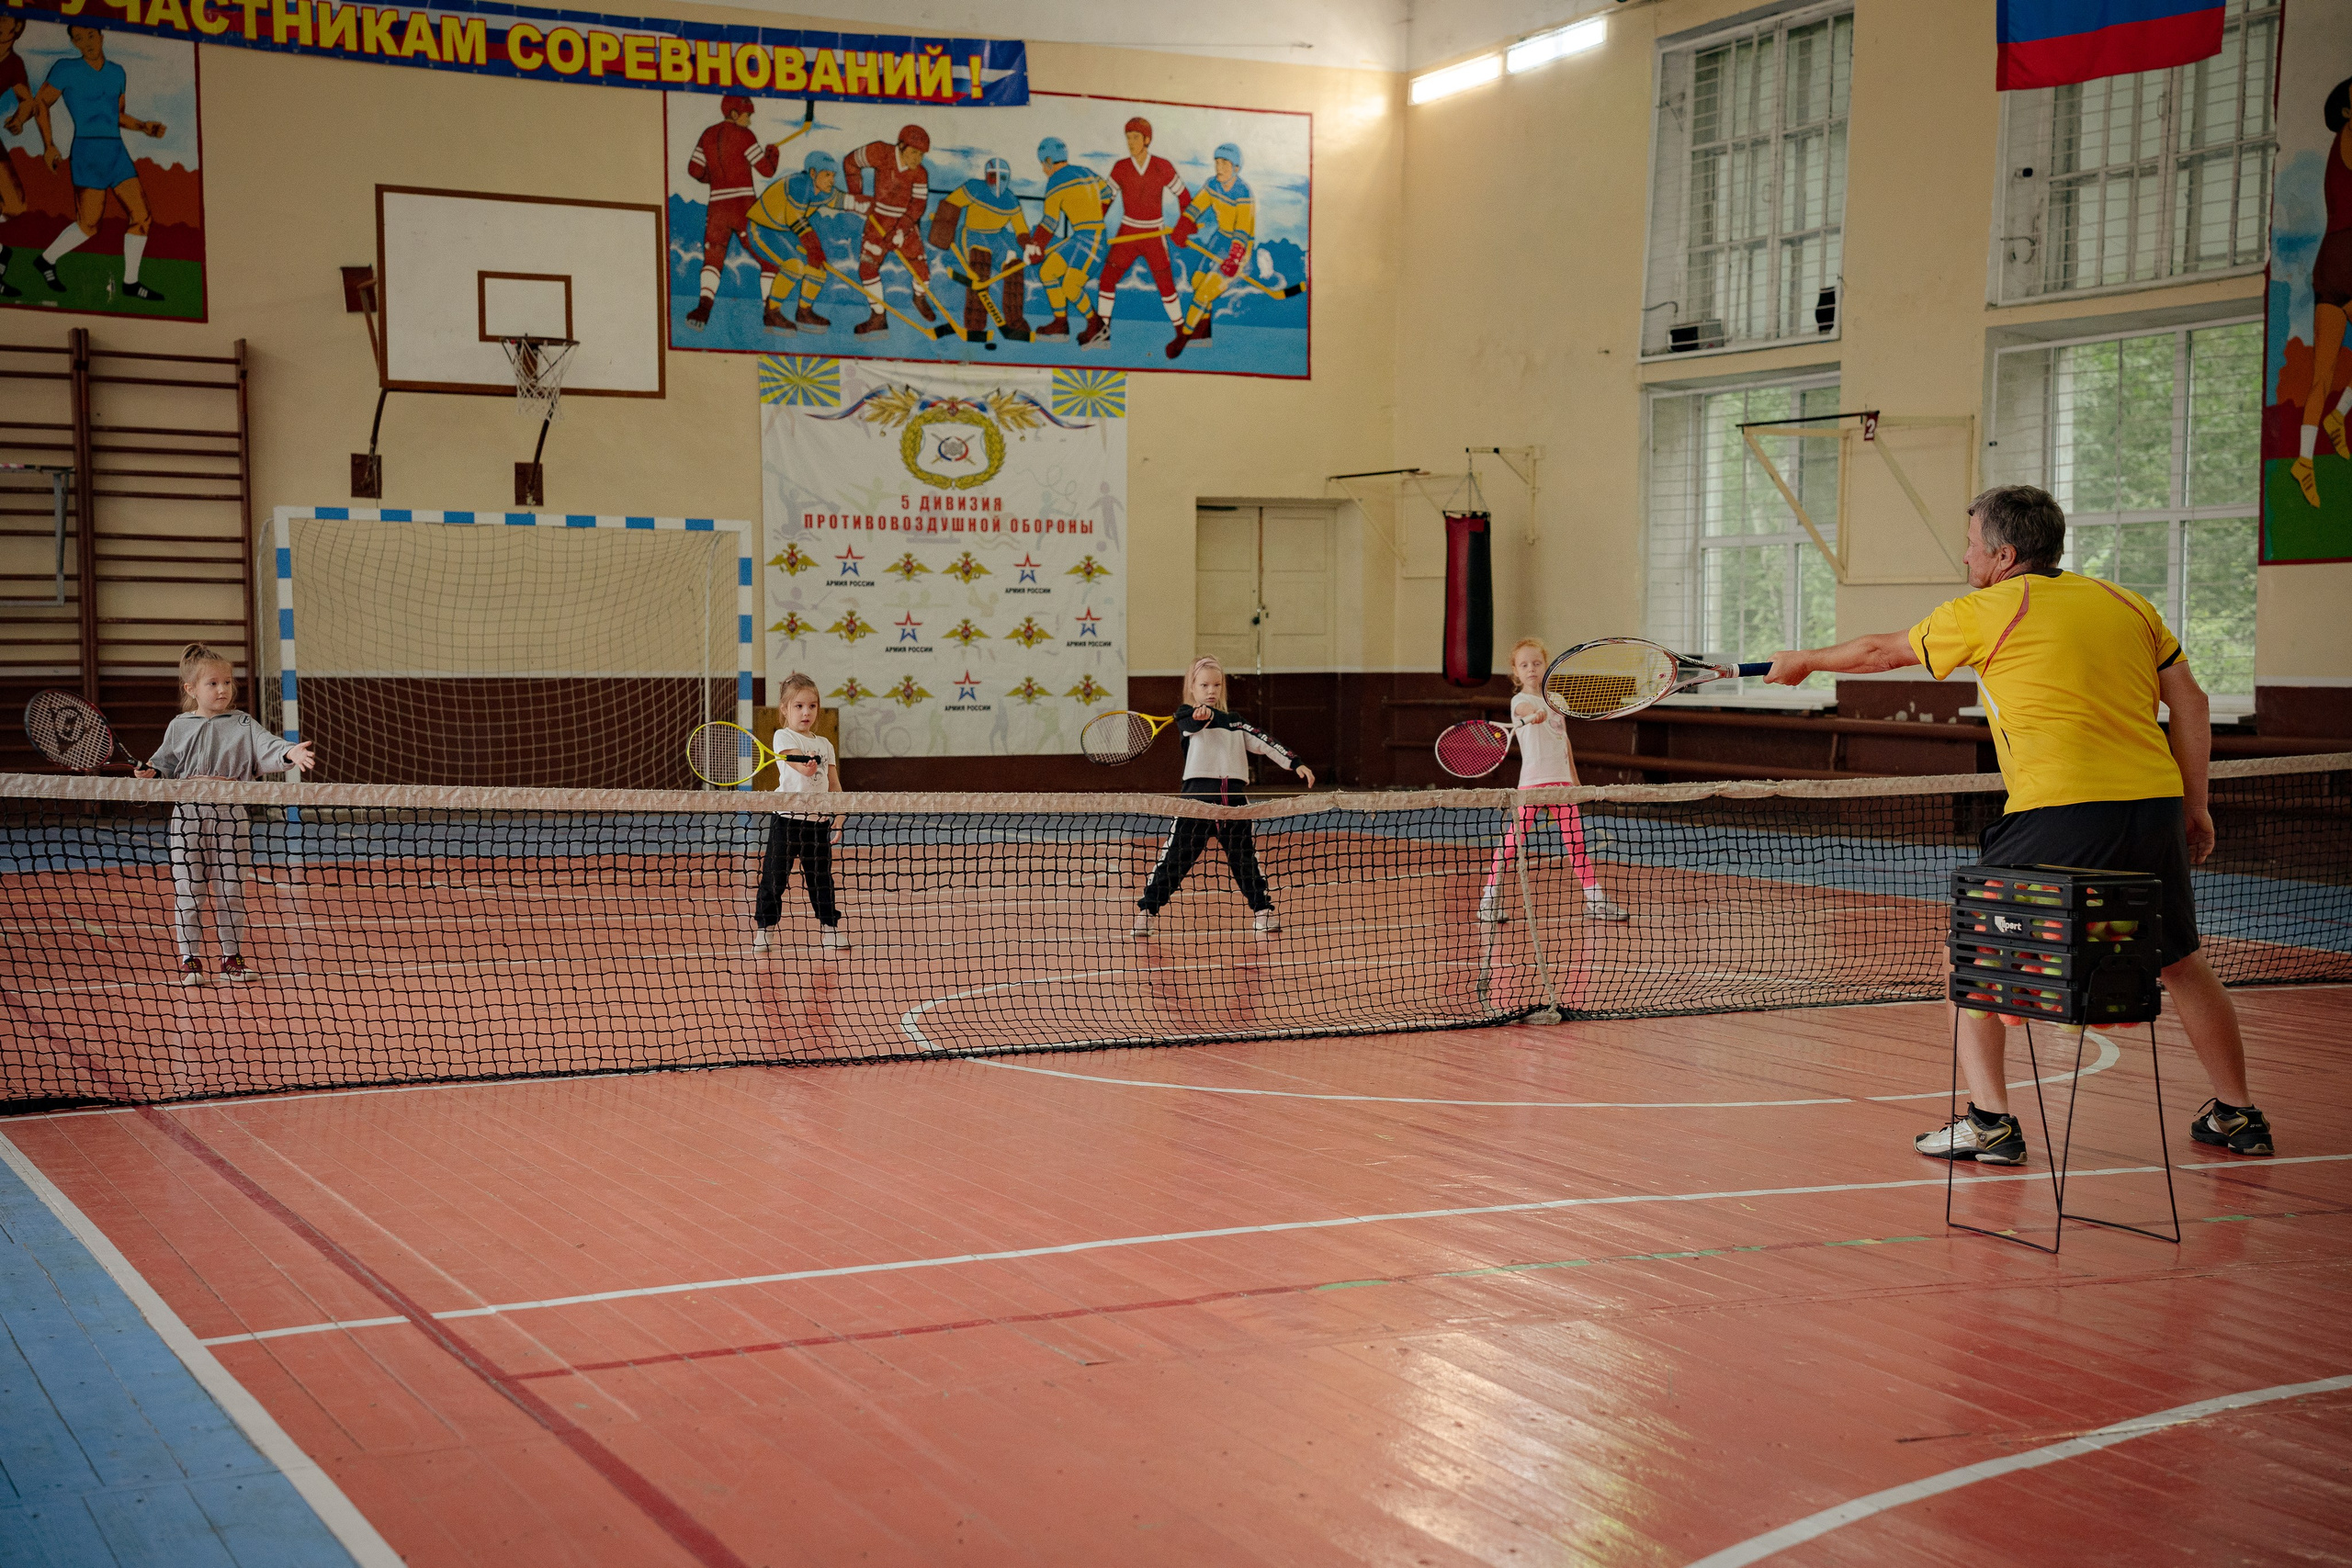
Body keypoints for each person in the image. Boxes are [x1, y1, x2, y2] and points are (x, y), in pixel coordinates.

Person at [1766, 485, 2273, 1163]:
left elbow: (1877, 654)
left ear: (2004, 555)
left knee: (1965, 955)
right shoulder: (2128, 603)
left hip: (2059, 808)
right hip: (2150, 805)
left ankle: (1990, 1120)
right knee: (2179, 959)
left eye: (1973, 542)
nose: (1966, 553)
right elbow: (2192, 701)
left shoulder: (1987, 608)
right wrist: (2194, 803)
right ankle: (2237, 1114)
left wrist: (1804, 660)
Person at [133, 643, 316, 986]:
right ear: (191, 689)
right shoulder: (178, 726)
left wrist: (290, 751)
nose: (223, 689)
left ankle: (231, 956)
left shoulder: (243, 723)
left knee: (231, 889)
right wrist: (150, 773)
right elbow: (163, 767)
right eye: (213, 683)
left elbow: (269, 746)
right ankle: (190, 959)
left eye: (228, 683)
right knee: (189, 888)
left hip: (231, 815)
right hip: (188, 816)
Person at [1132, 656, 1315, 937]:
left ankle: (1262, 913)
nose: (1211, 690)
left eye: (1216, 685)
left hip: (1235, 804)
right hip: (1197, 802)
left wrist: (1295, 762)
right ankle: (1147, 912)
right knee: (1176, 860)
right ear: (1192, 687)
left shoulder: (1235, 723)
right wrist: (1197, 716)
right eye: (1204, 684)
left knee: (1245, 861)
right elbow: (1193, 725)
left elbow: (1265, 742)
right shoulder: (1185, 716)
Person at [1477, 637, 1626, 925]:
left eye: (1537, 663)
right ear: (1516, 671)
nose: (1531, 668)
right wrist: (1533, 715)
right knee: (1512, 844)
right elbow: (1523, 712)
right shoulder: (1519, 701)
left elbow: (1565, 743)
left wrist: (1576, 781)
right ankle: (1489, 900)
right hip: (1532, 786)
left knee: (1576, 843)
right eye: (1524, 665)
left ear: (1546, 666)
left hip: (1562, 786)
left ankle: (1595, 900)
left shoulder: (1557, 701)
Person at [26, 25, 167, 301]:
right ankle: (46, 260)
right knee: (89, 225)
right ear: (74, 44)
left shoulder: (117, 72)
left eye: (90, 35)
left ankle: (130, 282)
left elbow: (117, 115)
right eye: (78, 38)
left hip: (116, 151)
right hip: (87, 152)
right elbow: (41, 103)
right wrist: (49, 144)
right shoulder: (65, 69)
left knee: (142, 217)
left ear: (101, 37)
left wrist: (143, 127)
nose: (86, 42)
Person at [2289, 74, 2352, 509]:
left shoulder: (2339, 143)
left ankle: (2307, 457)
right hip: (2347, 254)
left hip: (2332, 258)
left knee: (2322, 376)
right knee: (2321, 375)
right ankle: (2335, 416)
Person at [753, 671, 847, 953]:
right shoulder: (783, 736)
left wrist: (839, 818)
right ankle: (765, 930)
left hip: (817, 825)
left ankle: (830, 930)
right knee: (774, 877)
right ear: (785, 709)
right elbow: (795, 762)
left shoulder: (825, 745)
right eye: (798, 706)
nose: (806, 712)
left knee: (821, 880)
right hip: (786, 822)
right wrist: (804, 765)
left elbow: (833, 784)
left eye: (812, 706)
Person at [684, 95, 783, 331]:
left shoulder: (707, 134)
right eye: (748, 115)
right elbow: (767, 171)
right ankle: (771, 313)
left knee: (713, 259)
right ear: (736, 114)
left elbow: (694, 169)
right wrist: (772, 154)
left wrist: (714, 178)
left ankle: (703, 308)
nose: (750, 120)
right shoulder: (745, 136)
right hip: (744, 207)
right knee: (769, 260)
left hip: (717, 207)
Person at [1096, 117, 1190, 348]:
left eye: (1136, 137)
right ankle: (1102, 332)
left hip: (1153, 233)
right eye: (1128, 137)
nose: (1130, 142)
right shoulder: (1121, 167)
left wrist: (1184, 226)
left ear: (1147, 140)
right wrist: (1091, 226)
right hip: (1128, 232)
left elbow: (1184, 197)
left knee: (1166, 284)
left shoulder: (1162, 166)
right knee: (1107, 279)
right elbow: (1105, 201)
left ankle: (1181, 333)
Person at [841, 124, 934, 336]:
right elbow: (850, 162)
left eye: (921, 154)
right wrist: (857, 195)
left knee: (921, 269)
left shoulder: (920, 173)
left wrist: (901, 230)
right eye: (913, 152)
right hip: (879, 220)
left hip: (905, 222)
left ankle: (919, 297)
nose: (917, 159)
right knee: (867, 268)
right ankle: (878, 317)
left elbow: (918, 205)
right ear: (901, 145)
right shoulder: (880, 152)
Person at [928, 155, 1030, 341]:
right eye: (993, 177)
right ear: (986, 176)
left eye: (1002, 178)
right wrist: (942, 229)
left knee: (1014, 267)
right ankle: (975, 325)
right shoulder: (975, 188)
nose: (997, 183)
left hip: (996, 238)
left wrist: (1029, 246)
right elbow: (952, 203)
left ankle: (1014, 322)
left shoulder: (1010, 200)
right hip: (973, 235)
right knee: (980, 263)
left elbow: (1021, 229)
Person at [1166, 142, 1251, 360]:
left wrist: (1234, 258)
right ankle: (1203, 333)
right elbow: (1196, 207)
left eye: (1225, 163)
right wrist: (1183, 226)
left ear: (1236, 168)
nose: (1219, 167)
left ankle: (1184, 337)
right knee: (1197, 282)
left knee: (1204, 293)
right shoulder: (1212, 184)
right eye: (1217, 162)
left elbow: (1242, 230)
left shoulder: (1243, 193)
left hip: (1238, 246)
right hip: (1220, 238)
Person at [1027, 137, 1113, 345]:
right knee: (1047, 271)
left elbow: (1049, 222)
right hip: (1081, 237)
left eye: (1042, 164)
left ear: (1048, 161)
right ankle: (1060, 323)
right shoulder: (1086, 171)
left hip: (1091, 239)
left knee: (1071, 286)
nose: (1043, 170)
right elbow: (1108, 193)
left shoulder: (1055, 181)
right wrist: (1094, 215)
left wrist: (1035, 246)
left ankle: (1097, 326)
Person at [749, 148, 842, 333]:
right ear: (813, 173)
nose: (832, 180)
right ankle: (772, 312)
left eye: (833, 175)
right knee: (794, 266)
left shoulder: (823, 190)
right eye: (827, 175)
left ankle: (804, 312)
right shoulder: (798, 184)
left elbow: (845, 201)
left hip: (785, 234)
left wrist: (869, 205)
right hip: (763, 229)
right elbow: (796, 220)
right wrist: (814, 249)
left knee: (818, 270)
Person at [0, 15, 57, 300]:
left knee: (15, 205)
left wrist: (20, 120)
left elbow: (27, 100)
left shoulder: (13, 64)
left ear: (18, 27)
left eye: (3, 19)